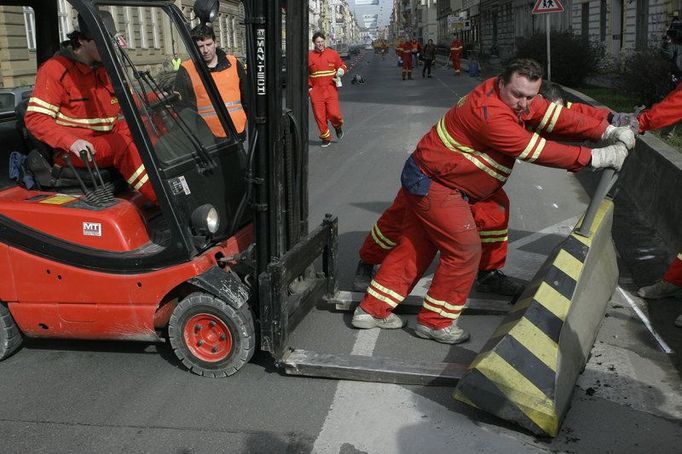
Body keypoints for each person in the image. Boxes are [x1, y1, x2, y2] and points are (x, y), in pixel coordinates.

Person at [350, 59, 635, 344]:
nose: (524, 103)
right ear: (501, 83)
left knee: (417, 245)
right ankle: (435, 323)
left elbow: (555, 116)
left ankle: (371, 310)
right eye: (518, 95)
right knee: (463, 250)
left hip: (439, 179)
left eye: (530, 97)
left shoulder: (511, 96)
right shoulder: (490, 113)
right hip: (437, 184)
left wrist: (606, 130)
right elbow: (533, 149)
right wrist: (596, 157)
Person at [24, 21, 157, 204]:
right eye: (102, 42)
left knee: (148, 127)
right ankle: (163, 200)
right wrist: (72, 142)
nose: (108, 48)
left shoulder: (105, 69)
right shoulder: (55, 69)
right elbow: (35, 118)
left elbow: (127, 101)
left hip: (104, 137)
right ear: (82, 40)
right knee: (121, 144)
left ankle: (180, 186)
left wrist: (158, 96)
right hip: (75, 150)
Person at [175, 25, 248, 142]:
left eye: (208, 44)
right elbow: (183, 108)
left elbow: (247, 96)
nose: (205, 50)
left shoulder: (233, 63)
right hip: (207, 138)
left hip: (236, 131)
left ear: (215, 42)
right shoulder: (187, 69)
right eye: (200, 46)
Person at [307, 31, 347, 148]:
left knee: (334, 114)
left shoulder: (333, 54)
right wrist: (309, 88)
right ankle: (325, 137)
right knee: (320, 116)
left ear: (325, 41)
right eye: (318, 42)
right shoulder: (309, 57)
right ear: (314, 43)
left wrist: (341, 71)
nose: (320, 44)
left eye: (322, 42)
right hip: (316, 91)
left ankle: (337, 126)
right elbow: (305, 74)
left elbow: (343, 66)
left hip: (330, 89)